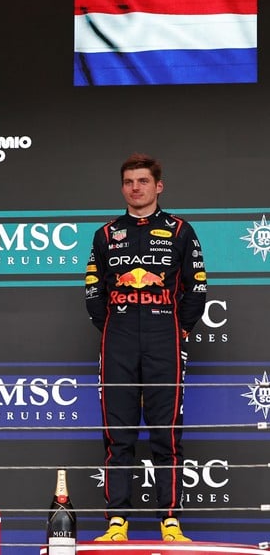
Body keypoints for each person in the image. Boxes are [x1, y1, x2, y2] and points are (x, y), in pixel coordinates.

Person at [85, 153, 207, 542]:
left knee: (166, 434)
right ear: (122, 187)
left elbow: (197, 288)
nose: (135, 188)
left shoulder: (180, 230)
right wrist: (116, 325)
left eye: (142, 181)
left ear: (159, 186)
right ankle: (117, 522)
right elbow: (93, 292)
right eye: (128, 182)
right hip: (118, 338)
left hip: (163, 338)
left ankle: (169, 520)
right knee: (117, 435)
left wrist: (176, 328)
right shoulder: (106, 234)